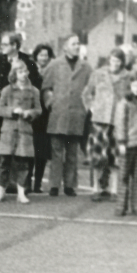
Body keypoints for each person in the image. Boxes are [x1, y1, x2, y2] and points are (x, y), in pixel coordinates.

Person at [41, 34, 92, 197]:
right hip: (58, 115)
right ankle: (54, 185)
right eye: (73, 44)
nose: (77, 46)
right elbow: (46, 87)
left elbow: (91, 90)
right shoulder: (54, 65)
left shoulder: (86, 67)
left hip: (77, 115)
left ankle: (70, 185)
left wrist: (87, 107)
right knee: (56, 153)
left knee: (72, 152)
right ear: (65, 47)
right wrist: (51, 103)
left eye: (78, 44)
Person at [81, 48, 129, 201]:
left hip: (117, 120)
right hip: (99, 121)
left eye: (118, 61)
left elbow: (131, 97)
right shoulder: (98, 73)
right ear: (109, 60)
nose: (115, 63)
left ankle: (114, 190)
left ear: (122, 62)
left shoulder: (127, 76)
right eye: (112, 60)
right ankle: (96, 188)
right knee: (97, 156)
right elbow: (86, 93)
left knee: (115, 157)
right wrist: (91, 107)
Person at [0, 60, 41, 204]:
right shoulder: (7, 90)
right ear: (14, 74)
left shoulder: (34, 91)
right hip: (8, 131)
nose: (23, 75)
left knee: (23, 163)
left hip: (24, 131)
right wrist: (12, 111)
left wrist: (30, 113)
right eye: (20, 72)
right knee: (3, 163)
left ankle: (21, 193)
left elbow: (39, 110)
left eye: (25, 71)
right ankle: (1, 192)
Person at [114, 70, 137, 216]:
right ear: (129, 86)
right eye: (134, 86)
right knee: (123, 176)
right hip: (127, 145)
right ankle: (121, 207)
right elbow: (120, 123)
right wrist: (121, 142)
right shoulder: (124, 103)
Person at [25, 43, 55, 193]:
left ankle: (37, 183)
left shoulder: (52, 71)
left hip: (46, 115)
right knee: (31, 149)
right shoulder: (30, 71)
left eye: (46, 55)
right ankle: (28, 182)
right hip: (33, 113)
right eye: (41, 55)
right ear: (36, 56)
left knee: (42, 151)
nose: (44, 58)